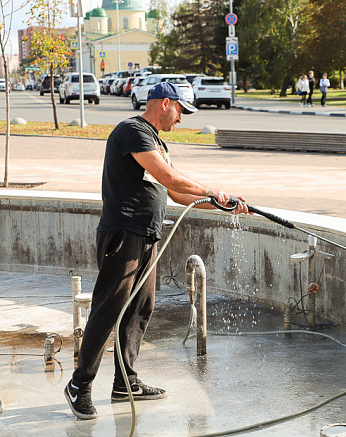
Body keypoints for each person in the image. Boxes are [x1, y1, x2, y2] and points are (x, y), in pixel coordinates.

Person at [65, 81, 248, 420]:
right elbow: (170, 178)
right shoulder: (132, 131)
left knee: (139, 309)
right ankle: (80, 385)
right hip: (123, 235)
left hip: (147, 236)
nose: (181, 120)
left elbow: (178, 195)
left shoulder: (157, 142)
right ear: (165, 104)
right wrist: (214, 190)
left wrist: (223, 205)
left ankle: (126, 382)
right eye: (181, 111)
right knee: (108, 310)